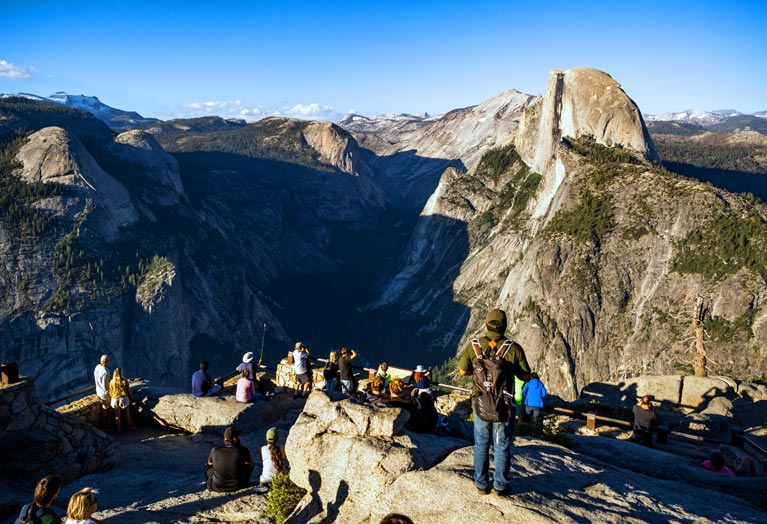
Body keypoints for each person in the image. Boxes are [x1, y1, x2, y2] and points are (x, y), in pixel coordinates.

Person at [458, 308, 531, 496]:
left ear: (485, 324)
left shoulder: (474, 346)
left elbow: (462, 371)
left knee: (481, 443)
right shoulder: (513, 348)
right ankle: (500, 485)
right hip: (503, 405)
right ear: (505, 326)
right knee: (502, 444)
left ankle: (481, 484)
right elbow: (526, 375)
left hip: (481, 402)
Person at [205, 427, 254, 492]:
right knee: (250, 465)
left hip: (217, 485)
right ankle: (244, 479)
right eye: (237, 437)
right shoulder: (243, 450)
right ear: (235, 439)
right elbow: (250, 463)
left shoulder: (215, 450)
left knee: (207, 466)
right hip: (239, 484)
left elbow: (209, 463)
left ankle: (214, 480)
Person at [254, 427, 288, 493]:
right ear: (277, 438)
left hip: (265, 482)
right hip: (280, 481)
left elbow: (263, 460)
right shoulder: (282, 448)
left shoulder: (262, 449)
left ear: (266, 439)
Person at [108, 367, 134, 434]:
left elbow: (110, 391)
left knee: (117, 415)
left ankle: (119, 430)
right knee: (127, 413)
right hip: (123, 398)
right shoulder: (124, 381)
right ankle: (129, 427)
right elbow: (128, 390)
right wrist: (131, 398)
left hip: (115, 399)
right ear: (121, 373)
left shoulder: (111, 381)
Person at [93, 354, 112, 429]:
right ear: (107, 362)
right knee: (108, 408)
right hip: (104, 393)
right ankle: (107, 424)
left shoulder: (97, 367)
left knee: (105, 408)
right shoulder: (105, 372)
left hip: (98, 391)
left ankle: (105, 424)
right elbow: (105, 386)